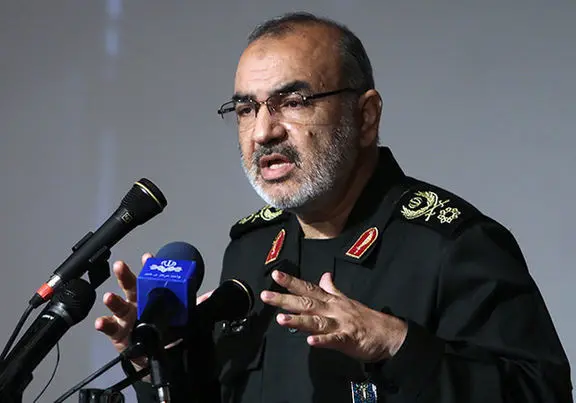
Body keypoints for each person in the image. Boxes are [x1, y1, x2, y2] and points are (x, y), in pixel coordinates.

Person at [95, 12, 573, 403]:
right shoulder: (251, 250)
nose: (263, 132)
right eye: (245, 109)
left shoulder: (452, 244)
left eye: (292, 102)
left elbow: (543, 394)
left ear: (366, 116)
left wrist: (397, 345)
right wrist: (156, 362)